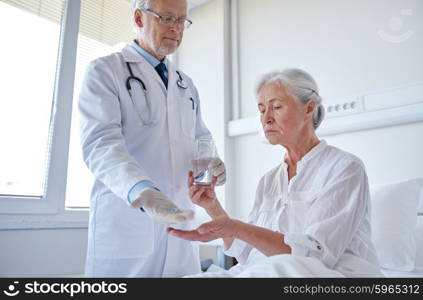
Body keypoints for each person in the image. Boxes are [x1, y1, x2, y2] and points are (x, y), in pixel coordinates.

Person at [167, 69, 383, 277]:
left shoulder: (344, 168)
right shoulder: (269, 181)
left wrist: (237, 228)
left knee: (280, 269)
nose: (266, 119)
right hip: (266, 273)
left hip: (327, 277)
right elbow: (246, 254)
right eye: (262, 110)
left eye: (276, 107)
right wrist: (212, 206)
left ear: (308, 109)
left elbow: (314, 257)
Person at [79, 0, 226, 277]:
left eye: (182, 20)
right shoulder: (105, 71)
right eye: (167, 17)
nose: (176, 28)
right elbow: (100, 144)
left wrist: (208, 170)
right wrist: (140, 190)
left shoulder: (185, 84)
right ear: (138, 18)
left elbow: (201, 139)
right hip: (128, 225)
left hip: (181, 226)